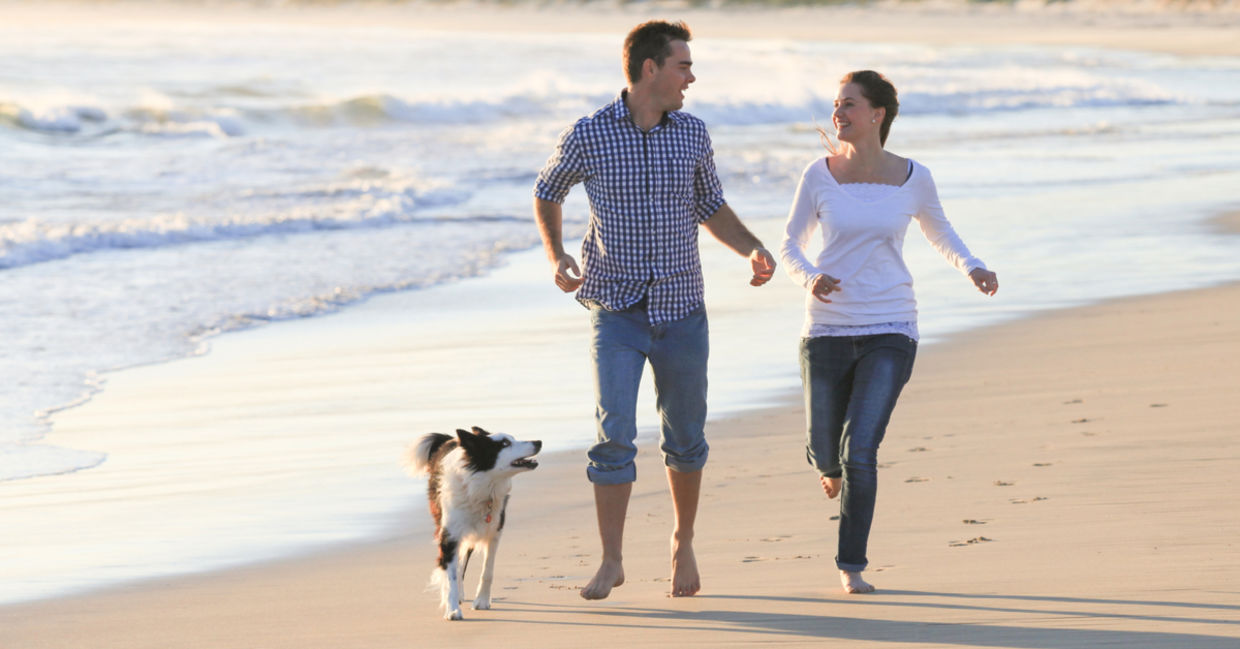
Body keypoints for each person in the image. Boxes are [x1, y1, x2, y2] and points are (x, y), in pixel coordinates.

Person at [533, 20, 777, 600]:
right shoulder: (590, 134)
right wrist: (557, 254)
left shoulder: (691, 133)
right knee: (613, 435)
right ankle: (612, 560)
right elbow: (548, 189)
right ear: (650, 69)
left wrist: (753, 248)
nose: (691, 77)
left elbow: (710, 206)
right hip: (615, 310)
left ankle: (683, 540)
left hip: (681, 311)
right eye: (683, 65)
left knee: (686, 437)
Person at [779, 70, 999, 595]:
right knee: (825, 449)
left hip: (891, 326)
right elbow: (789, 243)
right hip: (827, 329)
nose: (838, 113)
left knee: (861, 450)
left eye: (849, 104)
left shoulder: (914, 177)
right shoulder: (819, 174)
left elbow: (939, 230)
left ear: (877, 114)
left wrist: (971, 265)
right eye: (836, 104)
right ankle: (824, 463)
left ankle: (851, 564)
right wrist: (810, 276)